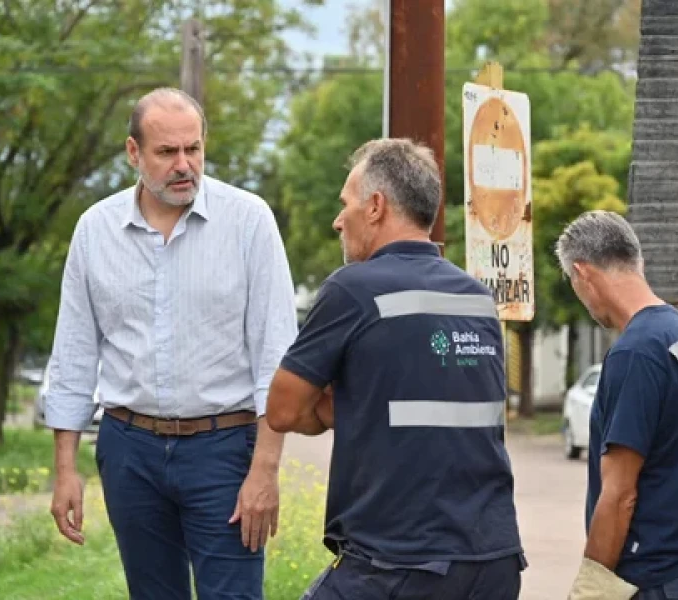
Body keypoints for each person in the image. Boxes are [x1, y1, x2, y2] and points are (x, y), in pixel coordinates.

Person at [45, 87, 298, 600]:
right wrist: (65, 470)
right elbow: (72, 353)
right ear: (134, 152)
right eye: (167, 152)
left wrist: (265, 470)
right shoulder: (95, 229)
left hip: (224, 449)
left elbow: (278, 356)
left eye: (194, 149)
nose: (185, 165)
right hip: (128, 448)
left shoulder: (248, 221)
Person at [265, 138, 526, 600]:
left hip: (397, 563)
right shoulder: (478, 299)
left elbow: (283, 411)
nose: (337, 220)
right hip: (493, 561)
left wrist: (336, 405)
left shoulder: (353, 289)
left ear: (376, 206)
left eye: (345, 204)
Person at [555, 211, 678, 600]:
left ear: (583, 274)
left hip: (648, 582)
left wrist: (591, 589)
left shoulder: (635, 352)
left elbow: (620, 494)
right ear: (637, 263)